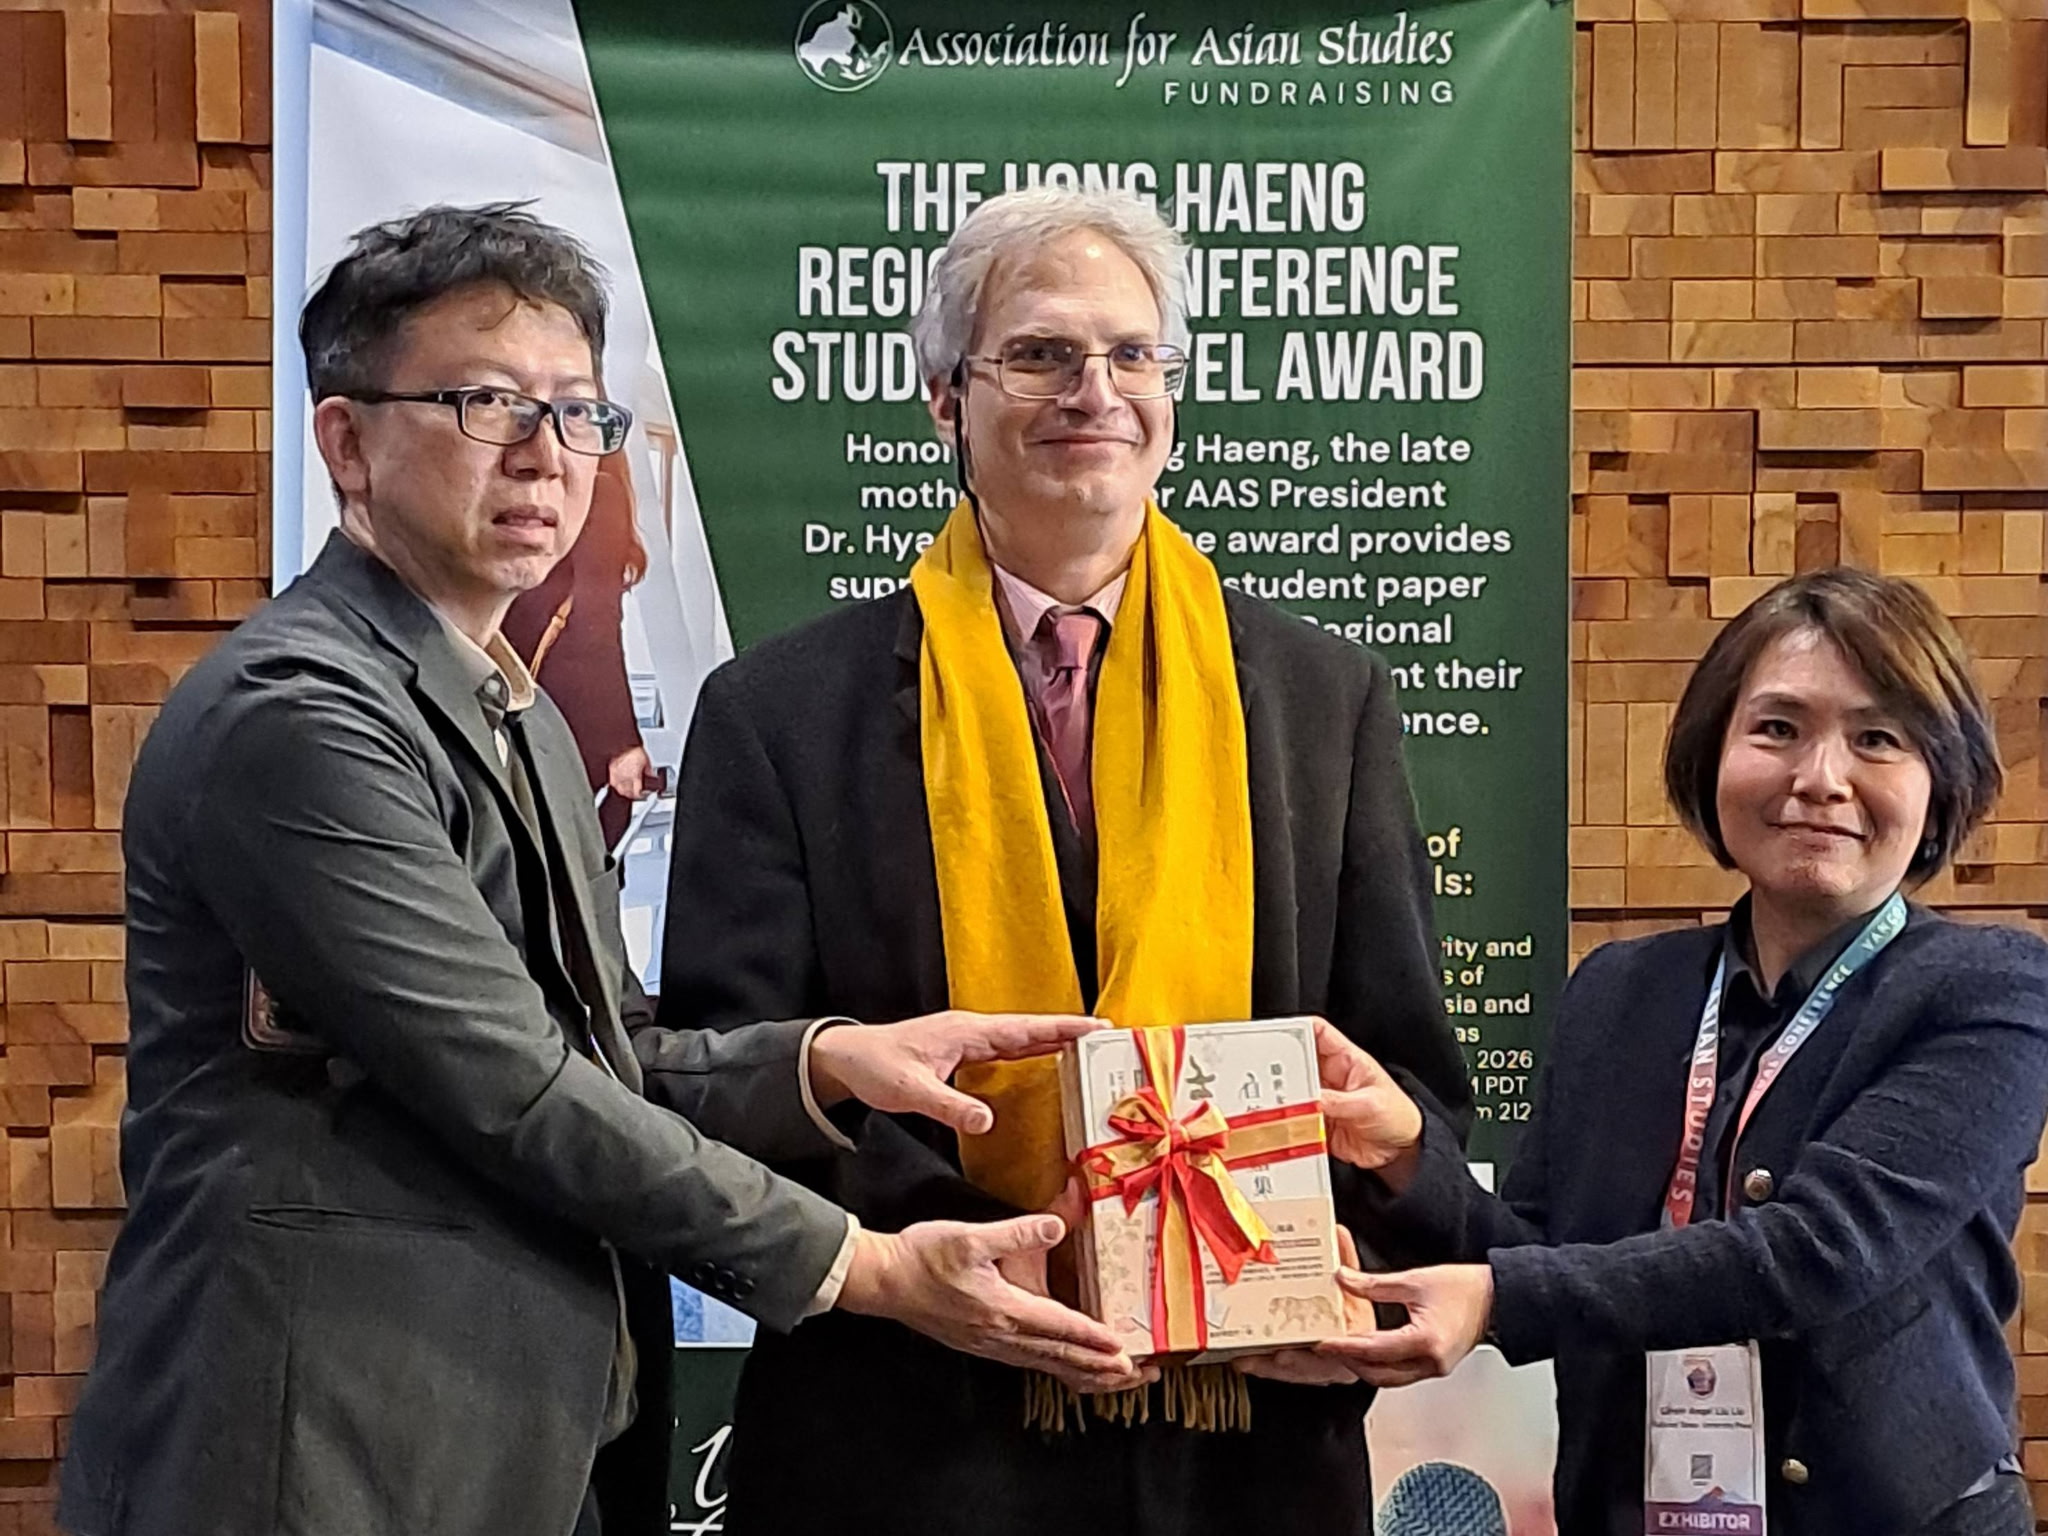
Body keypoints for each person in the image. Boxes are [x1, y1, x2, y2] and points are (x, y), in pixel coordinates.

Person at [57, 203, 1148, 1536]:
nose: (546, 455)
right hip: (325, 1453)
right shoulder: (300, 717)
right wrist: (860, 1265)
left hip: (510, 1440)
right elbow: (513, 1088)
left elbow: (606, 1047)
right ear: (344, 441)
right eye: (486, 403)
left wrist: (824, 1062)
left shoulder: (500, 706)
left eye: (580, 414)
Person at [654, 186, 1474, 1536]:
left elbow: (1405, 1082)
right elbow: (727, 1072)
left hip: (1243, 1452)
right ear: (943, 400)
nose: (1094, 389)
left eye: (1132, 354)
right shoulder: (779, 714)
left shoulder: (1326, 700)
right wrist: (989, 1258)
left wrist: (1338, 1253)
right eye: (1040, 353)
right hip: (910, 1443)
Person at [1304, 569, 2048, 1536]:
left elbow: (1818, 1252)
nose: (1819, 777)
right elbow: (1538, 1255)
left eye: (1877, 738)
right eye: (1776, 728)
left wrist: (1496, 1300)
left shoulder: (1993, 990)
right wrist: (1407, 1155)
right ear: (1713, 754)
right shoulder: (1619, 991)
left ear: (1940, 778)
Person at [502, 450, 659, 852]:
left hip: (516, 704)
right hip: (572, 714)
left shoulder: (523, 488)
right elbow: (596, 622)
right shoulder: (597, 490)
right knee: (585, 872)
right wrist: (623, 741)